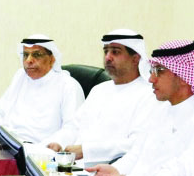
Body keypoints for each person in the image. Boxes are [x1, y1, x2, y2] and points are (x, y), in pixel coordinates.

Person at [88, 39, 194, 176]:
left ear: (183, 77)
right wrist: (114, 172)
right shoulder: (160, 109)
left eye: (159, 71)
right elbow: (136, 154)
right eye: (152, 71)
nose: (151, 79)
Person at [44, 29, 160, 163]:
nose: (108, 58)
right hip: (73, 166)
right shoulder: (99, 90)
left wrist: (86, 150)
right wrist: (59, 143)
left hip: (109, 171)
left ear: (135, 59)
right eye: (106, 51)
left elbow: (135, 144)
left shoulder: (149, 95)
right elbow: (74, 127)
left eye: (115, 52)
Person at [0, 35, 85, 144]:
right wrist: (2, 136)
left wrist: (42, 148)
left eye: (36, 55)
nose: (29, 60)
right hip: (11, 144)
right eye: (25, 55)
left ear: (52, 59)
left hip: (42, 150)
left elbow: (73, 129)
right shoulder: (20, 77)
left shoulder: (68, 86)